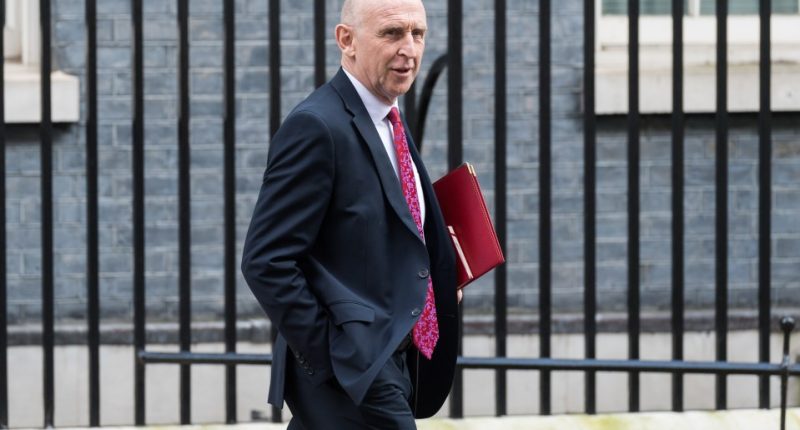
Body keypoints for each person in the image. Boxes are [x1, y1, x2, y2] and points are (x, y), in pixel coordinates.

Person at [240, 0, 461, 428]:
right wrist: (336, 355)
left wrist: (434, 284)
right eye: (392, 33)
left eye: (418, 34)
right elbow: (265, 261)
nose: (410, 49)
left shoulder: (388, 119)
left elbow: (373, 237)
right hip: (358, 362)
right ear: (347, 41)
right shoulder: (317, 126)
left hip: (392, 354)